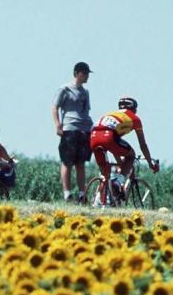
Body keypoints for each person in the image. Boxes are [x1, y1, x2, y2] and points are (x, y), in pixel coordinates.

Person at [89, 97, 159, 205]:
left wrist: (122, 163)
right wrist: (150, 162)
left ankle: (98, 202)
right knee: (131, 155)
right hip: (109, 137)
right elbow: (143, 145)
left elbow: (115, 145)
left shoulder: (112, 114)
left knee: (105, 173)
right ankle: (118, 182)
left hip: (93, 137)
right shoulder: (135, 118)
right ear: (134, 109)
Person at [52, 61, 93, 202]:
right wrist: (58, 125)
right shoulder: (65, 89)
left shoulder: (85, 92)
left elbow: (86, 109)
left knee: (80, 162)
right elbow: (55, 107)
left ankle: (82, 194)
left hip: (85, 128)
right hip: (69, 127)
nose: (87, 76)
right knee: (67, 161)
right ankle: (67, 193)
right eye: (84, 73)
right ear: (77, 73)